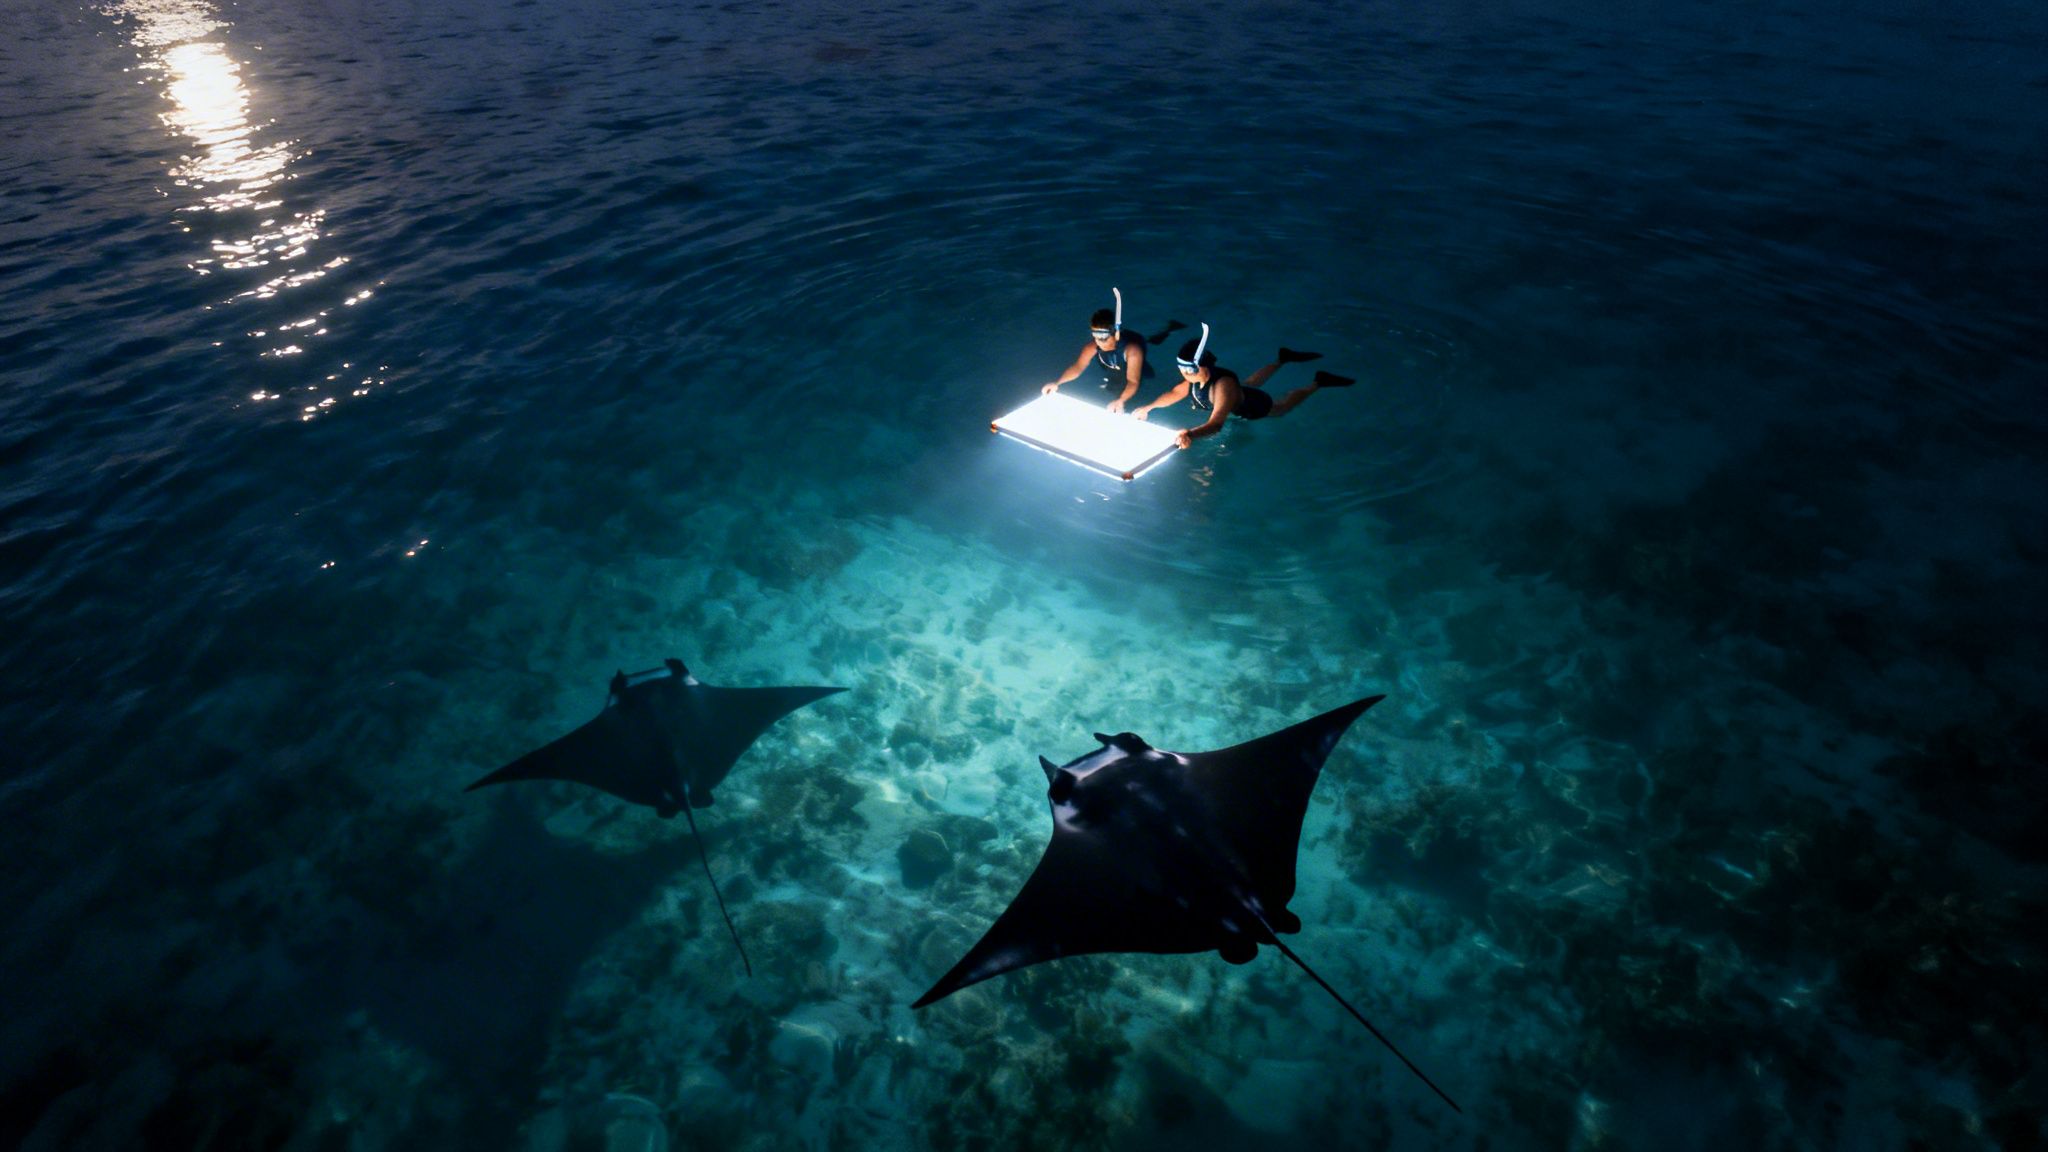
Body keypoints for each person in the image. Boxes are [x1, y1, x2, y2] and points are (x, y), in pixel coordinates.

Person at [1130, 322, 1353, 450]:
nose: (1184, 374)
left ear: (1203, 367)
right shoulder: (1195, 378)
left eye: (1188, 370)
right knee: (1247, 384)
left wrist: (1190, 434)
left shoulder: (1222, 387)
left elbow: (1216, 424)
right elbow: (1175, 392)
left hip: (1253, 406)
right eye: (1182, 369)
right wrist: (1149, 407)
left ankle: (1318, 382)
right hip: (1239, 393)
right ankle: (1282, 359)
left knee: (1282, 407)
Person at [1040, 288, 1186, 414]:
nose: (1099, 341)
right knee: (1113, 383)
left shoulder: (1132, 351)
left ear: (1115, 334)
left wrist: (1121, 400)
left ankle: (1167, 331)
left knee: (1143, 377)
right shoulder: (1092, 346)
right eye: (1095, 336)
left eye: (1103, 337)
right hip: (1115, 363)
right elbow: (1077, 367)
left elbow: (1133, 381)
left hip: (1133, 360)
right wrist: (1057, 383)